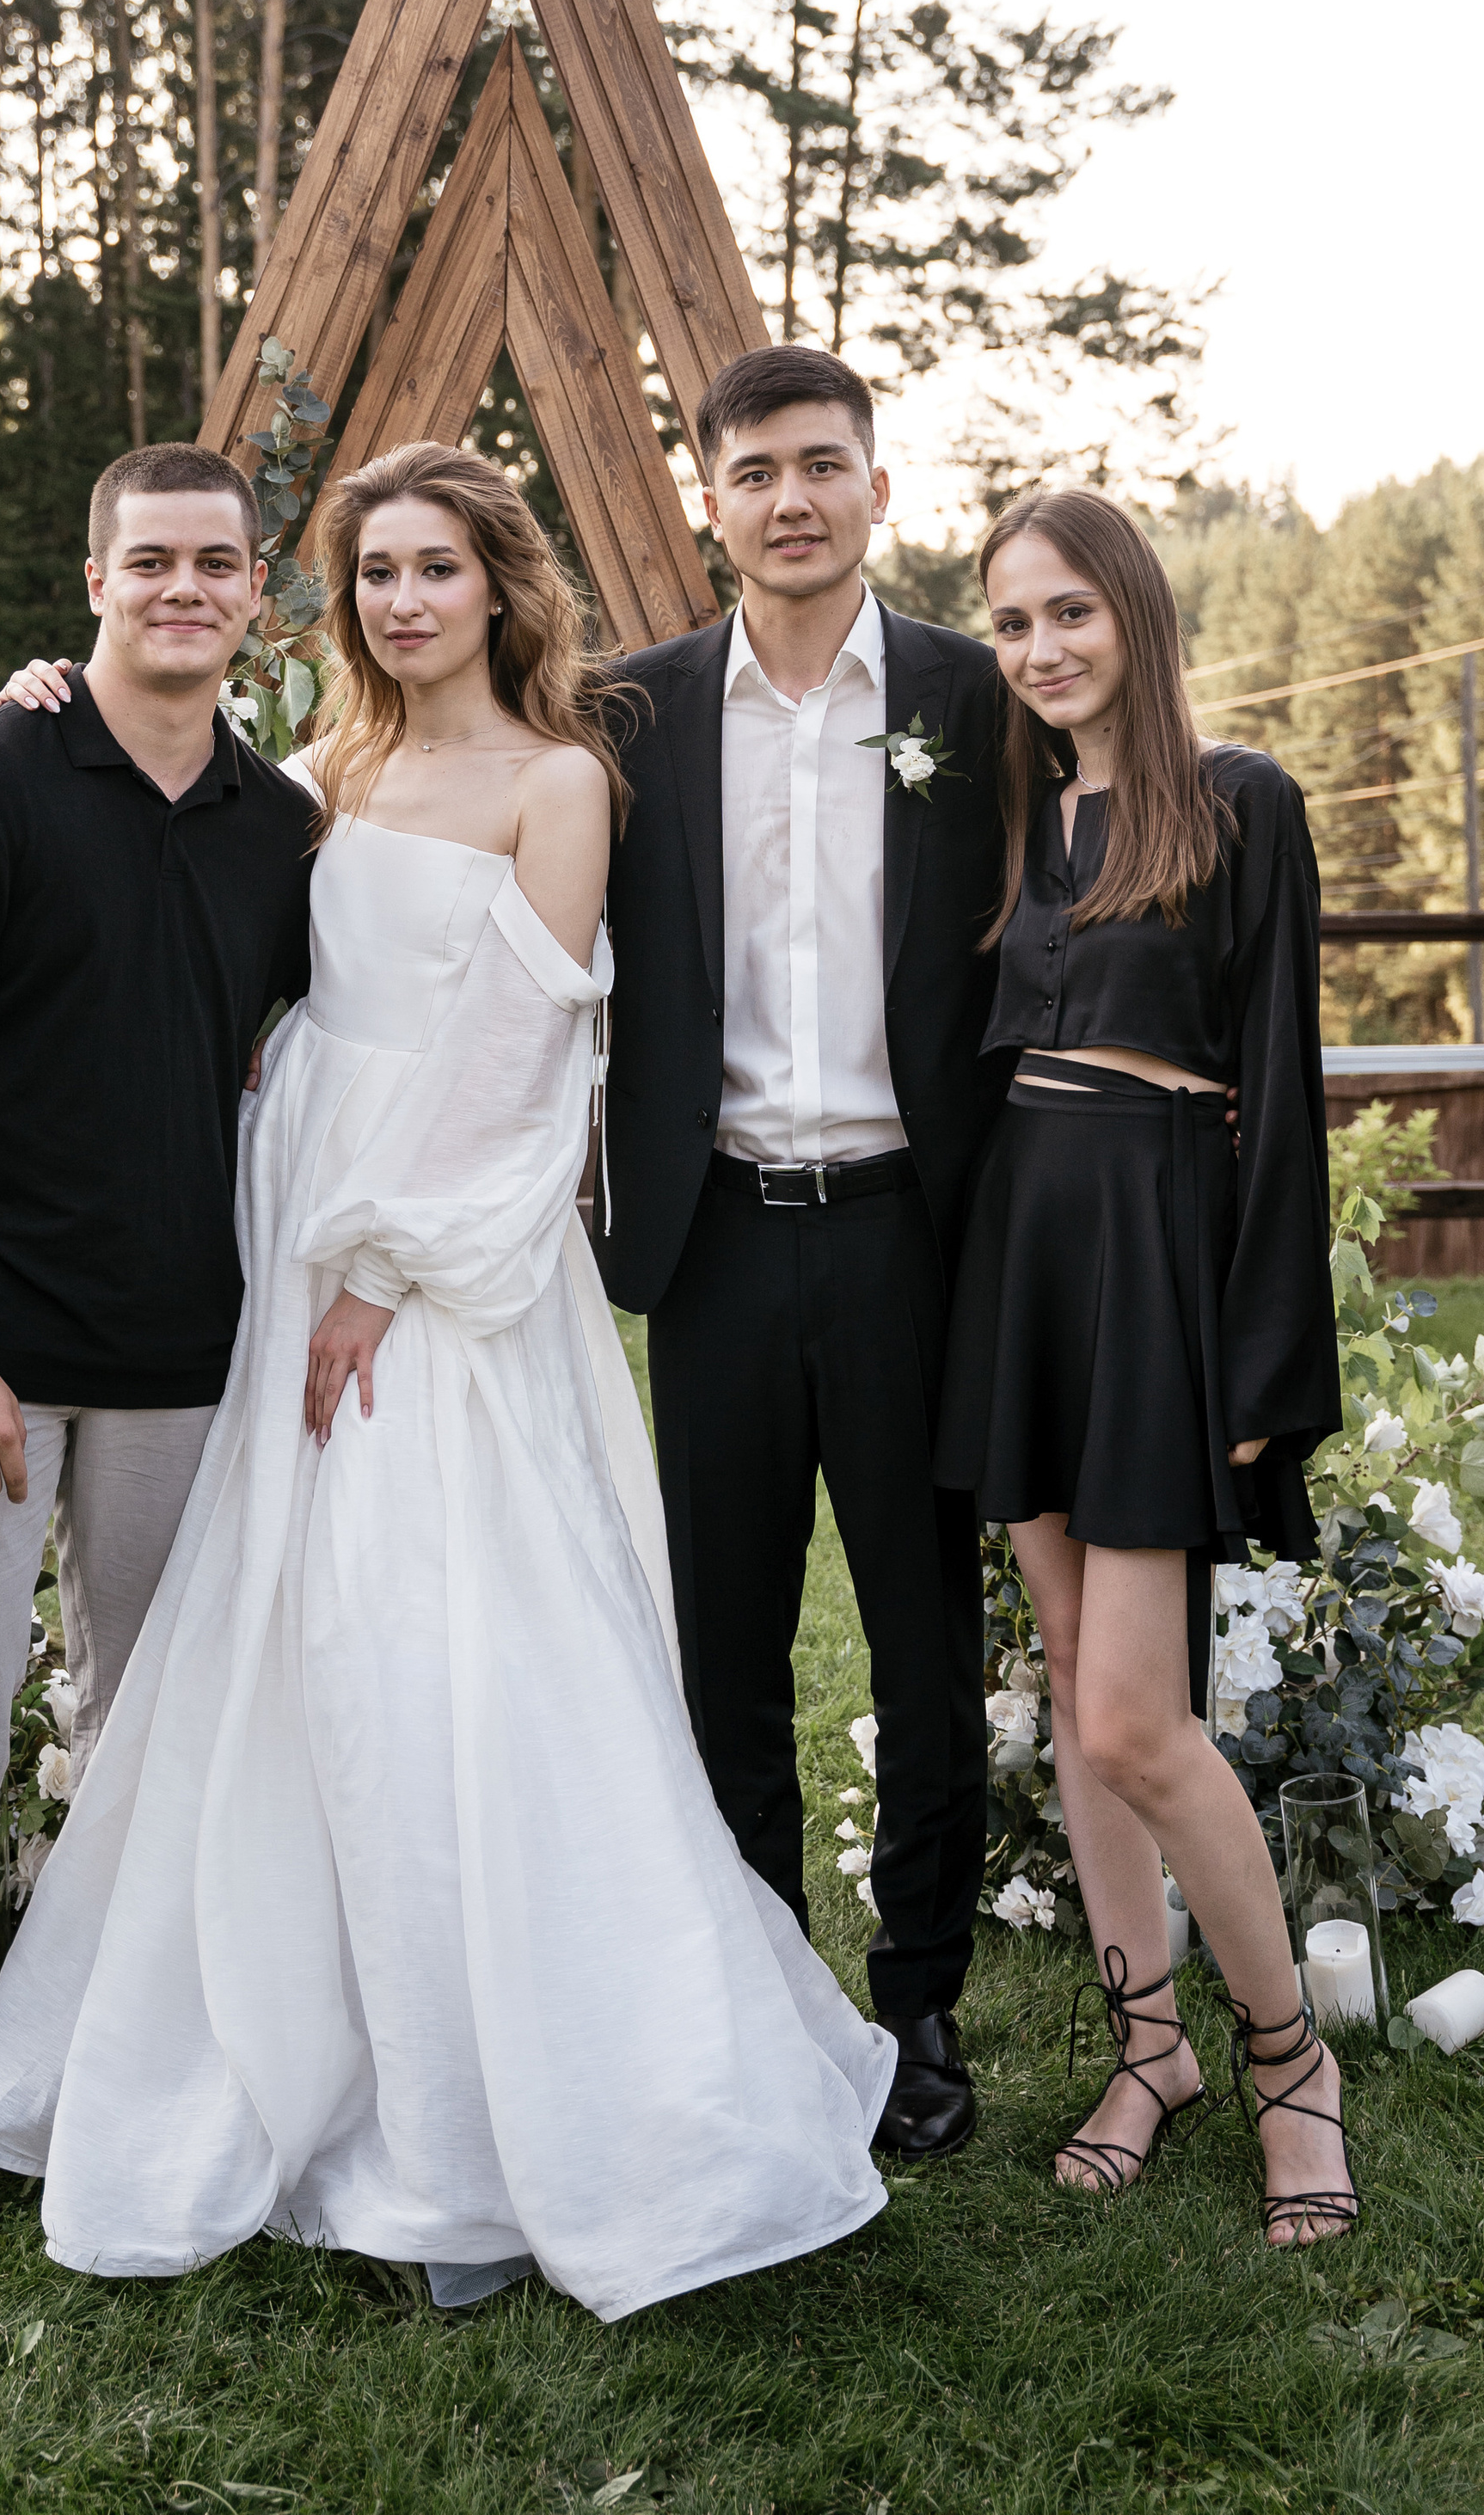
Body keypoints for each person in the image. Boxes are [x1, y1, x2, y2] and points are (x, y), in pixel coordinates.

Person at [0, 442, 896, 2316]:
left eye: (431, 570)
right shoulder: (318, 776)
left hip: (441, 1261)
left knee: (448, 1638)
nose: (398, 602)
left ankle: (496, 2111)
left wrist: (383, 1273)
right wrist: (36, 699)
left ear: (496, 588)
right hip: (289, 1207)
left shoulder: (558, 783)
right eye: (370, 572)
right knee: (298, 1636)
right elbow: (160, 817)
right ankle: (316, 2052)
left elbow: (519, 1058)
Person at [0, 443, 316, 2272]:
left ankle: (99, 2057)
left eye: (215, 563)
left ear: (253, 594)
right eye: (150, 561)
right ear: (92, 578)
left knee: (151, 1734)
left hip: (185, 1356)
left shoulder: (284, 827)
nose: (182, 589)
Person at [595, 345, 1006, 2160]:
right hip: (715, 1244)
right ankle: (762, 1993)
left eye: (819, 465)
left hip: (916, 1233)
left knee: (925, 1646)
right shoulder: (632, 713)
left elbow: (1132, 781)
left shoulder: (971, 698)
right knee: (724, 1646)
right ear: (710, 501)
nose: (787, 498)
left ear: (875, 490)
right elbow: (412, 770)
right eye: (751, 469)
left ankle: (918, 2008)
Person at [935, 487, 1354, 2242]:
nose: (1038, 649)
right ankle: (1146, 2045)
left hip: (1153, 1258)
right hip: (1016, 1252)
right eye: (1010, 623)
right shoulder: (1005, 817)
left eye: (1066, 614)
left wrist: (1264, 1351)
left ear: (1133, 614)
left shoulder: (1236, 801)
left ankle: (1289, 2072)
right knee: (1061, 1679)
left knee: (1133, 1717)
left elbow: (1280, 1084)